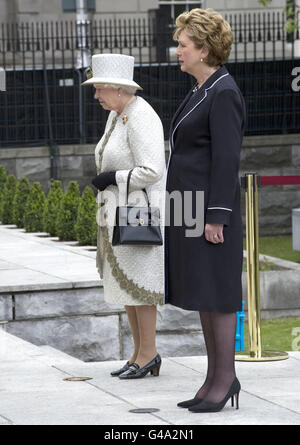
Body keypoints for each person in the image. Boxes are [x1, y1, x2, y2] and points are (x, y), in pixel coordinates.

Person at [165, 8, 246, 412]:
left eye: (182, 44)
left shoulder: (224, 92)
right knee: (204, 294)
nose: (177, 50)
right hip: (190, 208)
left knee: (218, 293)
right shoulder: (202, 89)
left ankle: (225, 379)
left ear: (204, 48)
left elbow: (227, 161)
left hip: (211, 213)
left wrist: (217, 216)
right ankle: (214, 379)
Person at [82, 53, 166, 379]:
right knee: (128, 288)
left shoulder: (141, 115)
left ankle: (149, 354)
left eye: (98, 88)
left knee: (141, 286)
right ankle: (138, 354)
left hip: (136, 214)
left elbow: (152, 170)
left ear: (117, 88)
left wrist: (113, 179)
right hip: (116, 212)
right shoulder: (118, 115)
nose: (96, 96)